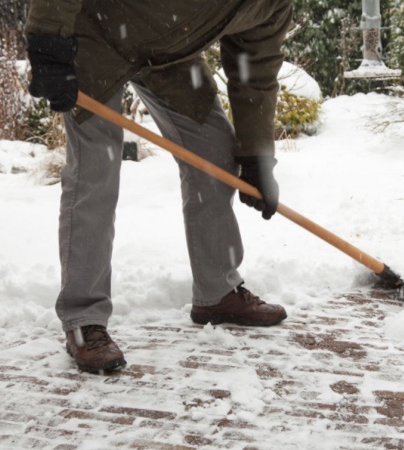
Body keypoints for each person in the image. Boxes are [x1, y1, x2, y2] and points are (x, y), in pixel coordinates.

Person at [24, 0, 292, 373]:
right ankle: (84, 320)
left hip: (167, 57)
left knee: (214, 154)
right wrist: (47, 40)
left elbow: (255, 69)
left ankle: (217, 293)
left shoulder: (274, 6)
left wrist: (257, 156)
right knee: (95, 169)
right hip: (95, 37)